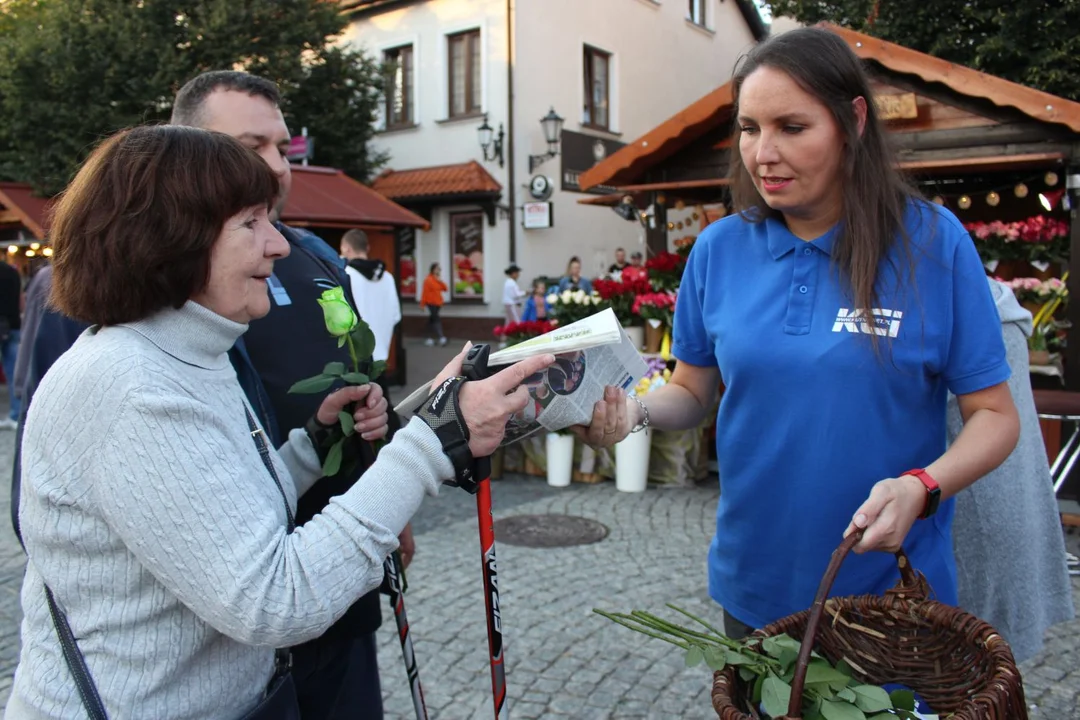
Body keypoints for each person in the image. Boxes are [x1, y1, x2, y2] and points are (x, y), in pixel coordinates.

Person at [6, 124, 554, 720]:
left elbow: (217, 514)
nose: (280, 245)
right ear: (170, 238)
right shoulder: (132, 387)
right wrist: (433, 441)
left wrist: (311, 448)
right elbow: (274, 600)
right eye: (251, 223)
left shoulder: (188, 353)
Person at [575, 27, 1019, 638]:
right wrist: (636, 413)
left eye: (792, 127)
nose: (762, 153)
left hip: (891, 594)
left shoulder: (933, 243)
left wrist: (923, 487)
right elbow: (693, 390)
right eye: (750, 128)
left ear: (853, 121)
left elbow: (996, 416)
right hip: (754, 589)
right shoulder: (718, 249)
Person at [169, 70, 406, 719]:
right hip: (223, 637)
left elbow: (362, 384)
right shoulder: (143, 284)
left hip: (342, 598)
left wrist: (390, 498)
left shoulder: (314, 258)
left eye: (282, 148)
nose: (277, 169)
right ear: (186, 151)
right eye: (252, 148)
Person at [948, 278, 1075, 662]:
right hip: (992, 512)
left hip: (964, 515)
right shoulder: (979, 293)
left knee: (968, 657)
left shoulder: (950, 295)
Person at [0, 260, 22, 430]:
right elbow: (21, 301)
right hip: (13, 325)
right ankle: (17, 413)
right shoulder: (13, 272)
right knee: (14, 371)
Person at [421, 263, 448, 346]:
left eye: (439, 269)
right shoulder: (428, 279)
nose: (438, 271)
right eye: (437, 269)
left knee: (432, 320)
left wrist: (440, 281)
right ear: (432, 270)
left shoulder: (438, 280)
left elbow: (445, 289)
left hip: (438, 303)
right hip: (430, 302)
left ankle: (428, 338)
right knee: (436, 319)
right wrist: (422, 304)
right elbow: (424, 292)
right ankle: (441, 337)